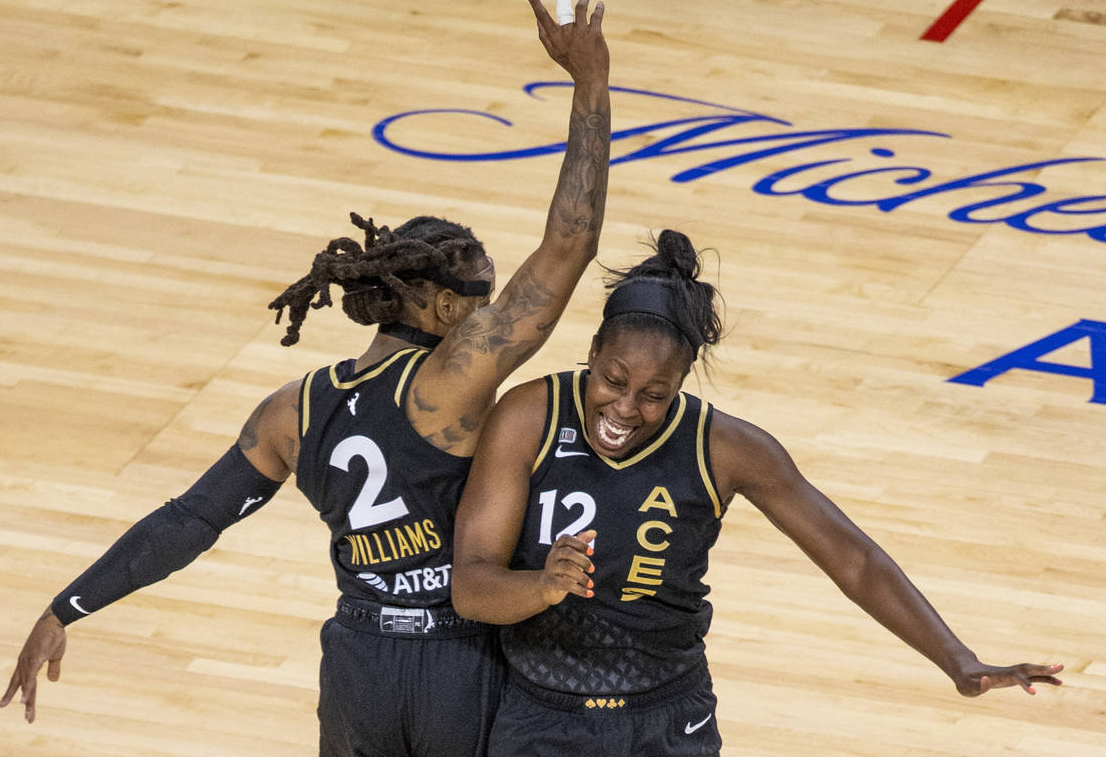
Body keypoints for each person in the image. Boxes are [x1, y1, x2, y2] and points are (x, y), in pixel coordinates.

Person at [0, 0, 612, 757]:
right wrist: (590, 81)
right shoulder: (453, 377)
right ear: (446, 310)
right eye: (482, 298)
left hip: (357, 662)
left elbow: (192, 520)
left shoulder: (293, 408)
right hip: (454, 659)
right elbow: (569, 242)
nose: (493, 310)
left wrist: (68, 607)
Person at [450, 229, 1064, 757]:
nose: (627, 408)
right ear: (592, 353)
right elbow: (472, 587)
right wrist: (544, 585)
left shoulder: (727, 448)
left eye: (655, 394)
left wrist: (958, 660)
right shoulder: (529, 414)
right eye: (613, 381)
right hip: (541, 715)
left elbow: (854, 560)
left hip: (668, 717)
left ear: (683, 382)